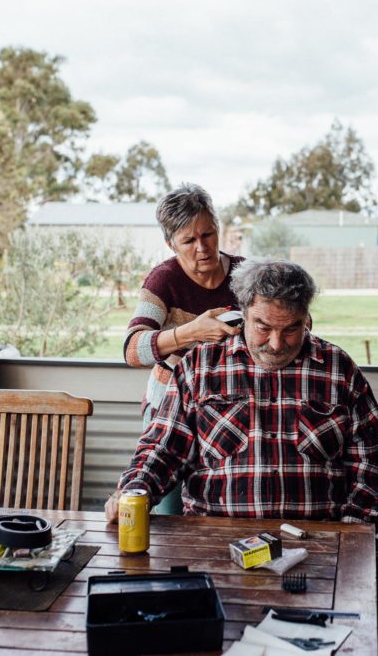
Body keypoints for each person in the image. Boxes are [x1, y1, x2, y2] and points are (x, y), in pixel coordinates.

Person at [107, 259, 378, 654]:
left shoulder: (337, 370)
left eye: (291, 328)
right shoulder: (199, 368)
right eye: (263, 327)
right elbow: (162, 449)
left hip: (321, 545)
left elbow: (374, 461)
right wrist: (135, 489)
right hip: (217, 548)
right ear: (241, 313)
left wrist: (350, 533)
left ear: (307, 320)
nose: (277, 344)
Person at [122, 182, 243, 513]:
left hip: (228, 411)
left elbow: (292, 322)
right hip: (170, 409)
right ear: (170, 243)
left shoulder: (245, 275)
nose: (202, 248)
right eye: (189, 241)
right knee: (168, 513)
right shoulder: (163, 280)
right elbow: (133, 350)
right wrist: (190, 332)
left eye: (209, 234)